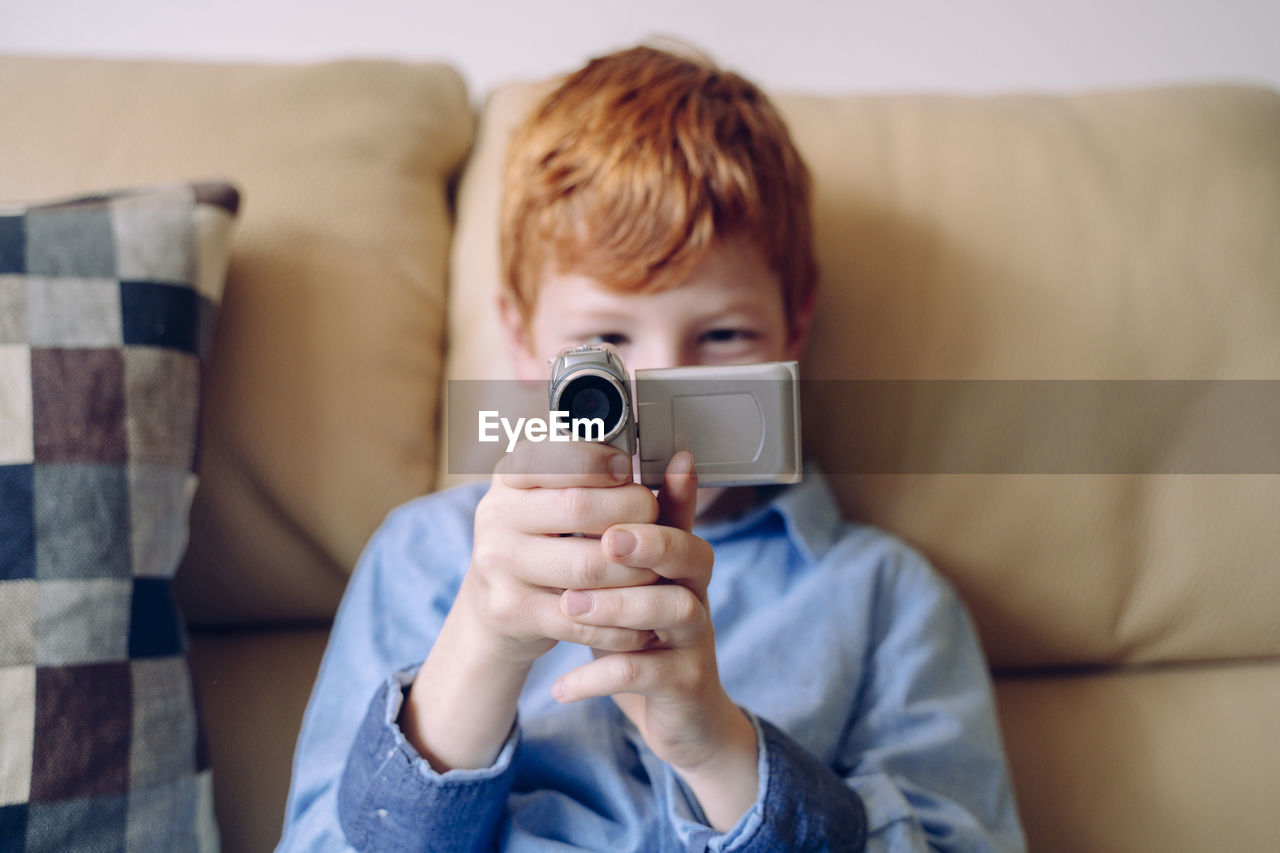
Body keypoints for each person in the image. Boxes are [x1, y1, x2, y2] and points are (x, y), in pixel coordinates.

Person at [278, 44, 1025, 852]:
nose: (659, 389)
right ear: (523, 340)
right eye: (605, 341)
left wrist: (720, 749)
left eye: (724, 334)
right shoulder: (423, 557)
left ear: (793, 329)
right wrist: (481, 650)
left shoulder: (887, 599)